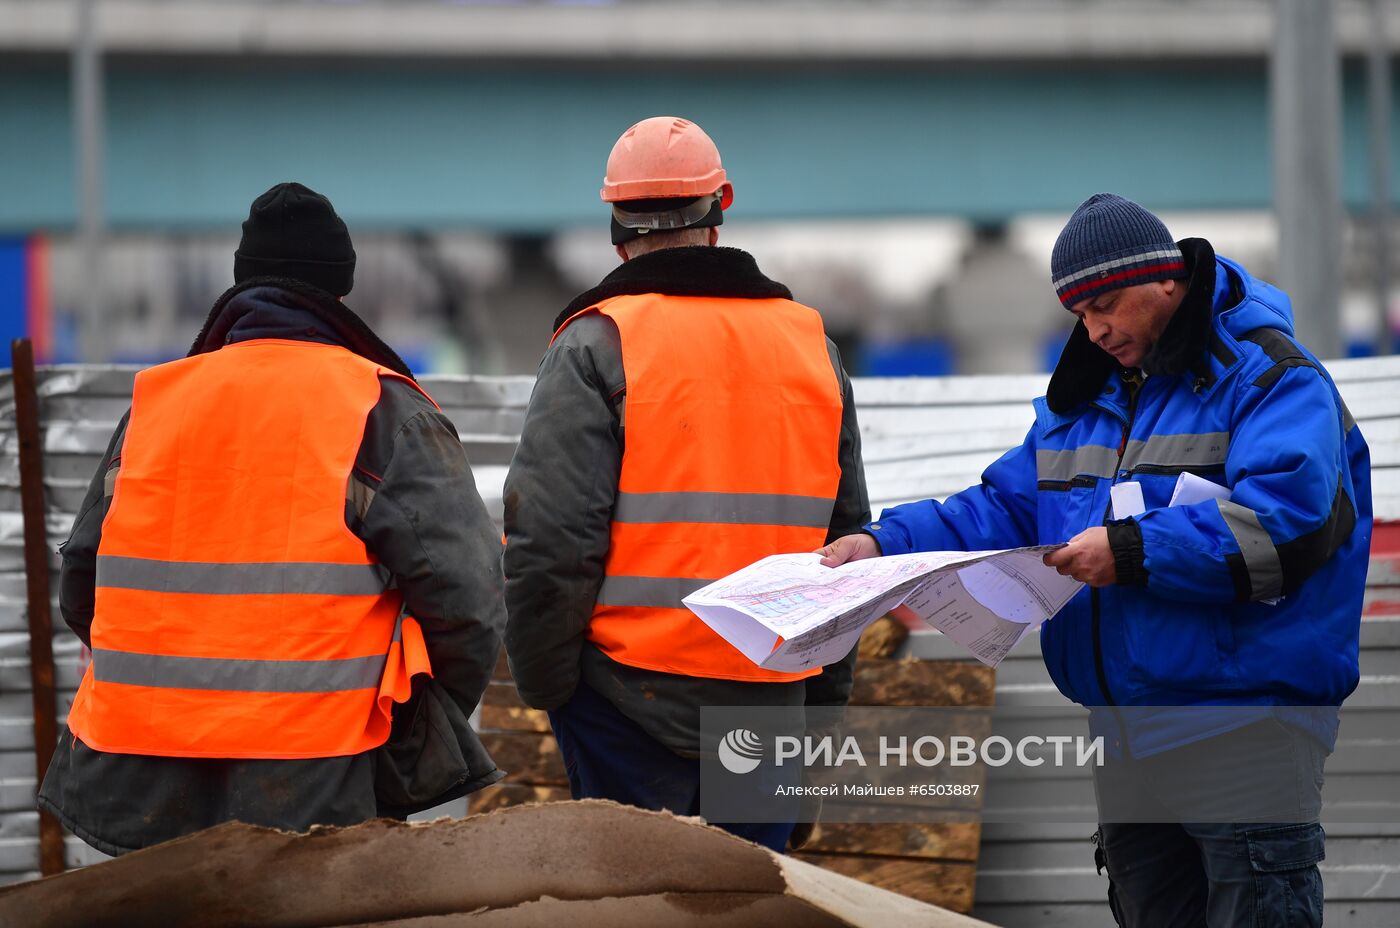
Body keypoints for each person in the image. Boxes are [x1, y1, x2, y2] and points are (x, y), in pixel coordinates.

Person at [820, 194, 1371, 927]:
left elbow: (1289, 528)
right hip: (1125, 734)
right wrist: (883, 541)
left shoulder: (1273, 381)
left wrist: (1130, 550)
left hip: (1245, 732)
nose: (1096, 329)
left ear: (1167, 281)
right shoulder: (1082, 405)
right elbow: (1000, 508)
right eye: (1080, 314)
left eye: (1108, 304)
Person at [39, 182, 507, 855]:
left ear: (242, 284)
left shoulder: (155, 408)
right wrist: (415, 730)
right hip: (318, 775)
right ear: (339, 292)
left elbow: (83, 582)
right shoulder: (381, 410)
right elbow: (471, 603)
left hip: (140, 778)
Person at [502, 116, 870, 853]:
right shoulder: (810, 346)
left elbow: (550, 539)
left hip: (625, 702)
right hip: (771, 700)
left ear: (615, 224)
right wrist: (820, 702)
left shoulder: (596, 342)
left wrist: (548, 688)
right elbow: (849, 546)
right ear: (721, 204)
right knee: (751, 904)